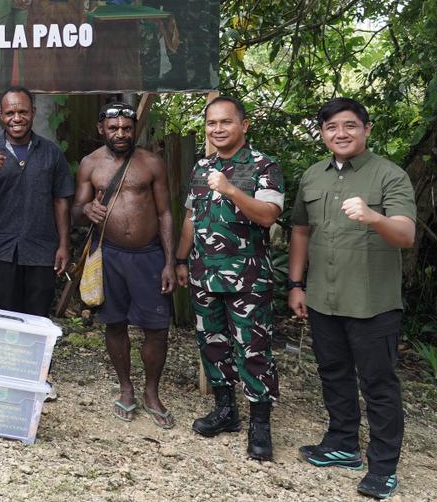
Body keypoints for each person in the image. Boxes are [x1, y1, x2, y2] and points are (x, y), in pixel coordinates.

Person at [288, 98, 415, 500]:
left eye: (349, 126)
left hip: (372, 303)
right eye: (331, 128)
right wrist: (295, 284)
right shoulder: (312, 176)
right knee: (334, 373)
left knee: (378, 385)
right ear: (322, 134)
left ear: (367, 128)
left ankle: (383, 468)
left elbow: (406, 236)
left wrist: (374, 217)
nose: (340, 134)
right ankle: (342, 446)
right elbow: (301, 232)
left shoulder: (389, 176)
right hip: (324, 298)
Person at [176, 96, 285, 461]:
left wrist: (232, 189)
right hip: (204, 275)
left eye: (225, 122)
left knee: (253, 351)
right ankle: (226, 411)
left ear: (244, 125)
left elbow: (268, 216)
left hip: (247, 279)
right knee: (213, 343)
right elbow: (191, 218)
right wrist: (180, 258)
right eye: (212, 123)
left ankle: (260, 425)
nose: (218, 129)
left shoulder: (262, 166)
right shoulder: (201, 167)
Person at [71, 102, 177, 429]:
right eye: (113, 128)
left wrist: (170, 261)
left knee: (156, 329)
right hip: (110, 255)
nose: (120, 134)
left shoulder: (151, 163)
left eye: (126, 128)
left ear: (135, 130)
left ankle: (151, 391)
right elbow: (75, 209)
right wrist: (87, 209)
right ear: (102, 128)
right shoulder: (90, 165)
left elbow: (165, 214)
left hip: (149, 256)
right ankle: (126, 387)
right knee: (114, 324)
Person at [0, 86, 73, 318]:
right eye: (10, 113)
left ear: (33, 112)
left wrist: (64, 244)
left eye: (22, 112)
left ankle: (37, 356)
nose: (16, 118)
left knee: (38, 315)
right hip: (3, 248)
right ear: (0, 115)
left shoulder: (51, 153)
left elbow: (61, 200)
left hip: (42, 249)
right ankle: (9, 355)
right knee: (8, 314)